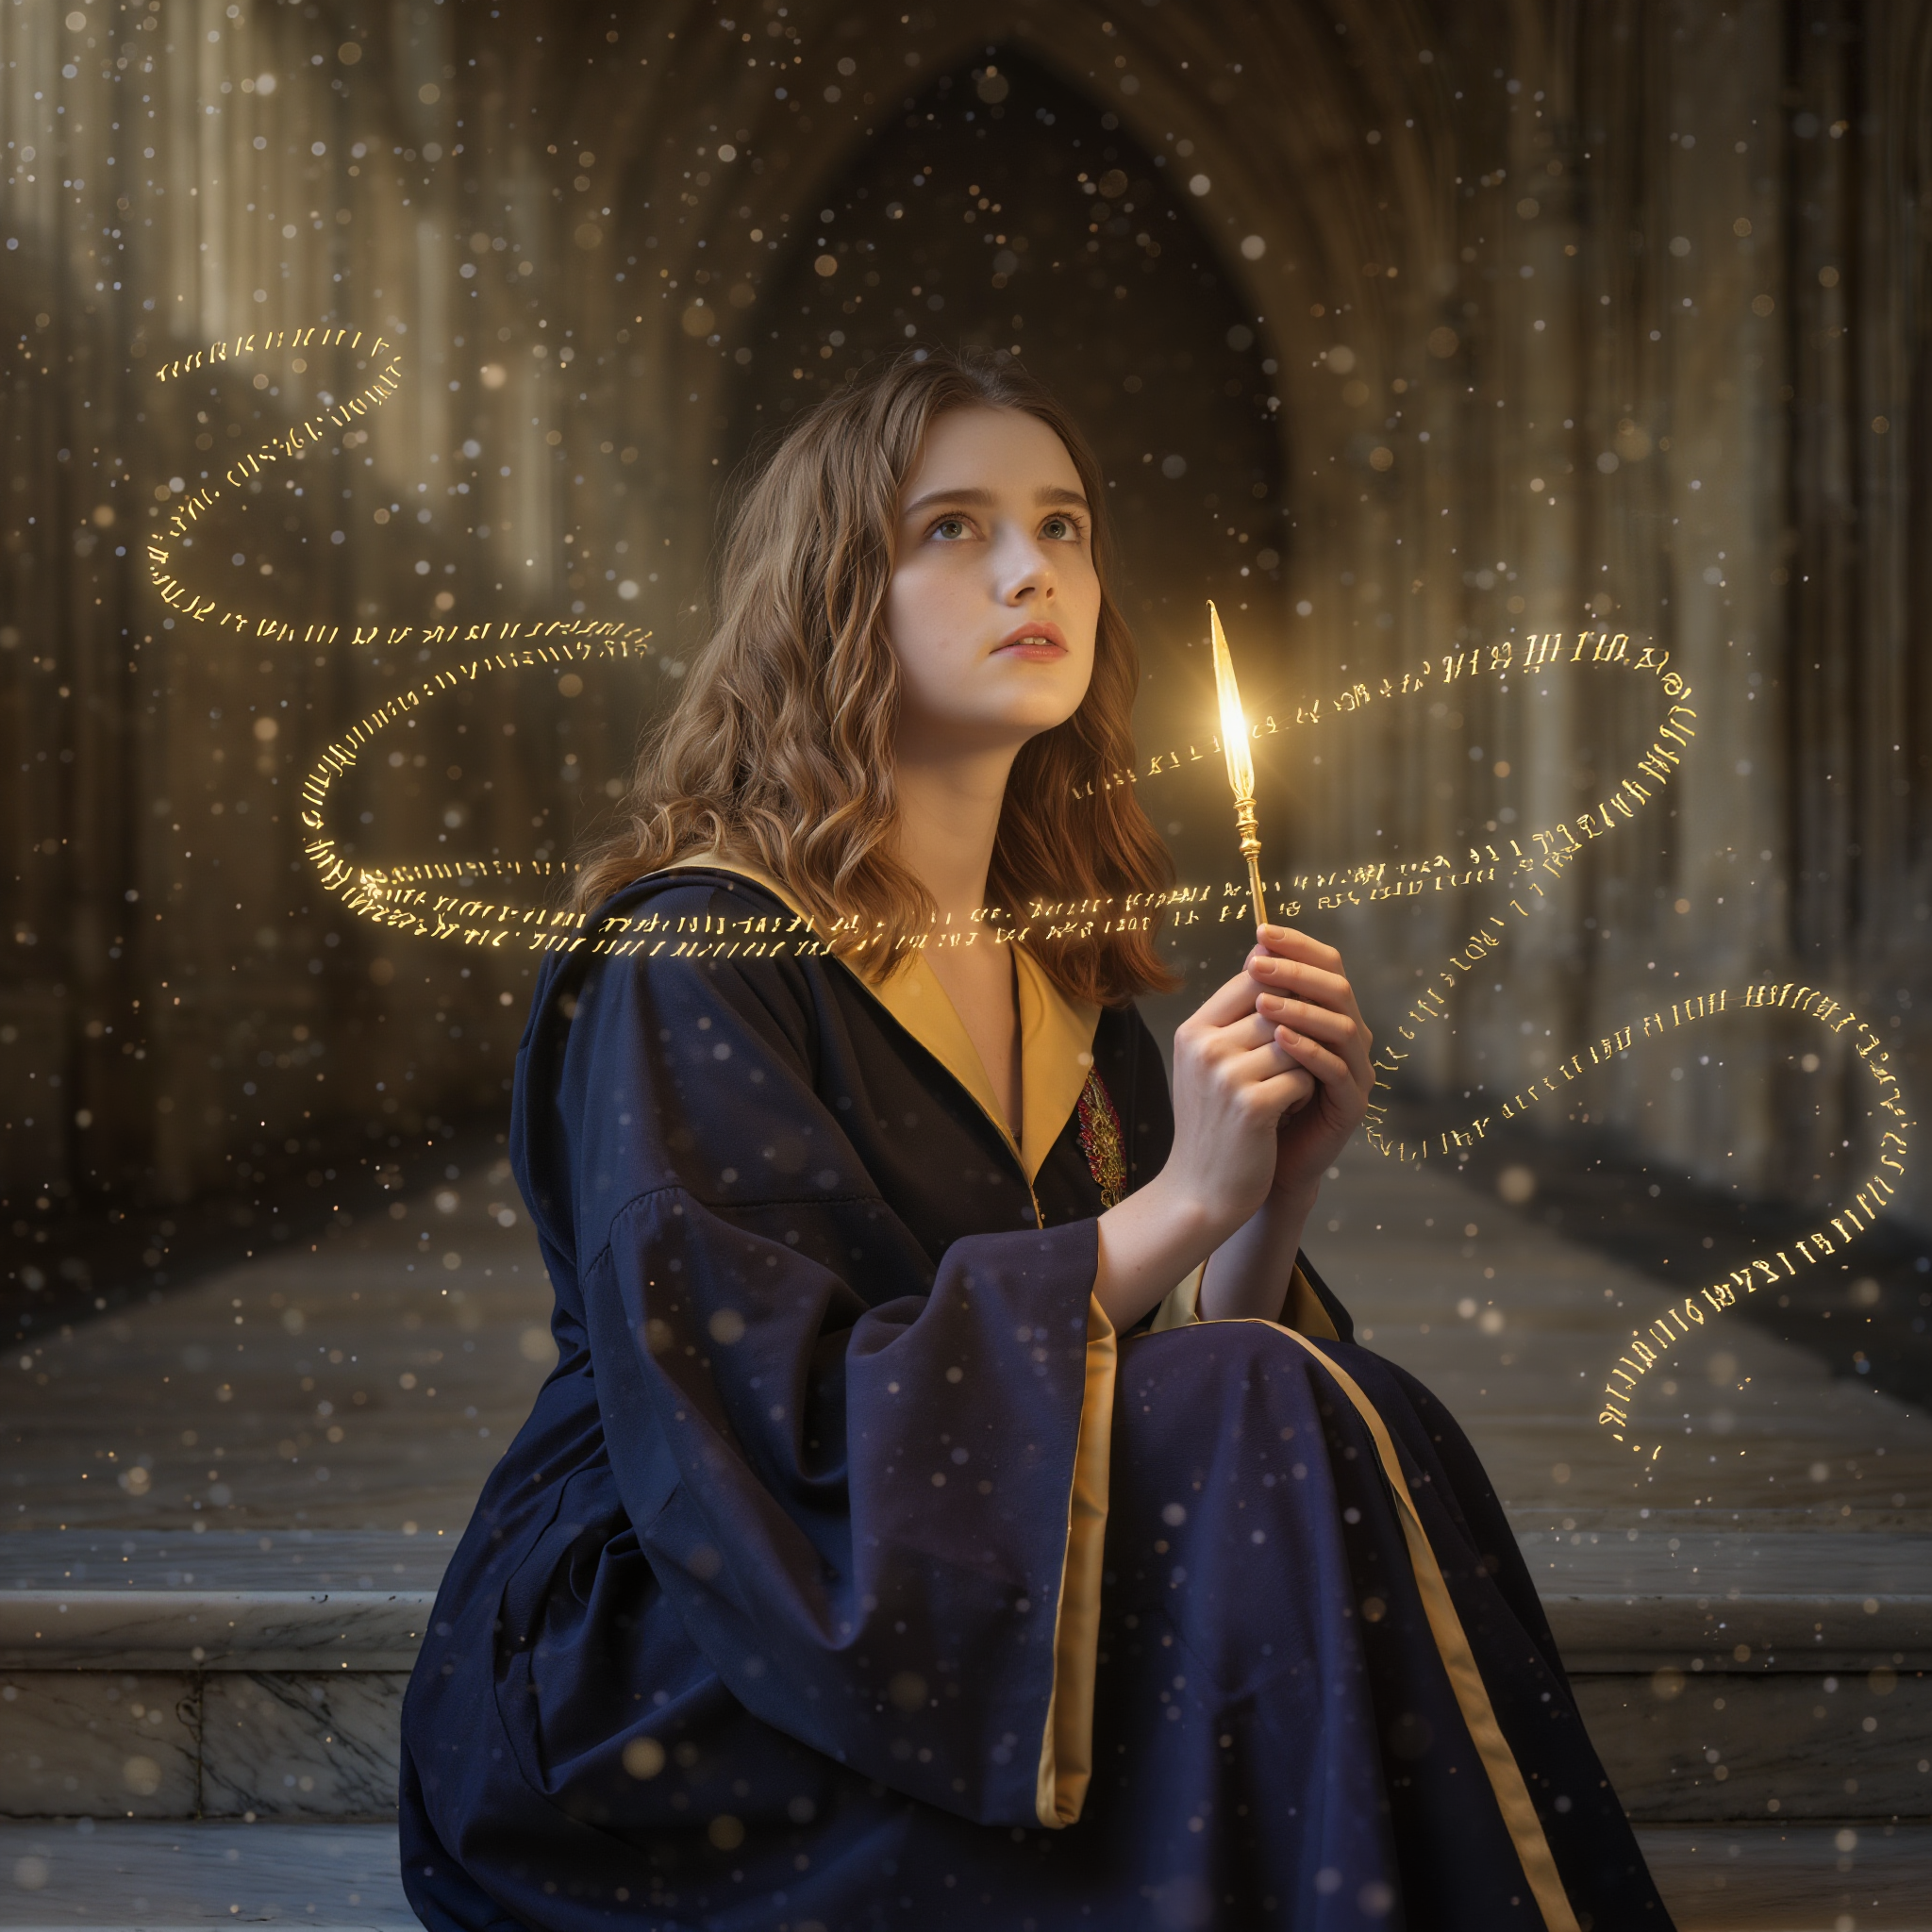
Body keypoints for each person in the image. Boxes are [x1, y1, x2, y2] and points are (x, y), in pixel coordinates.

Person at [400, 350, 1670, 1931]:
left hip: (972, 1607)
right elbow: (765, 1430)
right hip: (679, 1648)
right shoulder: (701, 961)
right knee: (1269, 1425)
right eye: (954, 528)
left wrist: (1263, 1196)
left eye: (1063, 526)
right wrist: (1176, 1202)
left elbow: (1165, 1390)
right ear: (830, 589)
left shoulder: (1066, 986)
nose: (1031, 569)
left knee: (1349, 1404)